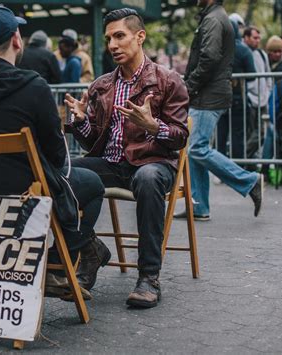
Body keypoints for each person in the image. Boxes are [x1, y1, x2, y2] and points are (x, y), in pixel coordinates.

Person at [0, 4, 105, 299]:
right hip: (25, 195)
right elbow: (57, 158)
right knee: (92, 183)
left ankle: (76, 254)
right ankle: (56, 265)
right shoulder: (34, 88)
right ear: (17, 40)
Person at [65, 8, 189, 308]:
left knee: (146, 179)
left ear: (140, 36)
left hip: (153, 163)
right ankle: (89, 249)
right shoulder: (102, 85)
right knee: (60, 172)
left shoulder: (168, 80)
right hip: (111, 164)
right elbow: (93, 140)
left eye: (119, 36)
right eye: (109, 38)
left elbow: (180, 136)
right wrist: (81, 121)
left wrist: (153, 126)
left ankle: (148, 277)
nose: (113, 45)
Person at [181, 0, 263, 222]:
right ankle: (199, 207)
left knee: (197, 149)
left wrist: (189, 87)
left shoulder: (214, 19)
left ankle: (249, 180)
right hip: (208, 93)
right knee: (195, 151)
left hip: (209, 95)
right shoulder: (214, 17)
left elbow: (209, 58)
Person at [217, 19, 256, 159]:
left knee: (220, 136)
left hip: (219, 98)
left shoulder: (216, 47)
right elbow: (252, 76)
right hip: (238, 98)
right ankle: (237, 167)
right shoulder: (244, 50)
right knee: (237, 136)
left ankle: (220, 169)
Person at [243, 26, 273, 158]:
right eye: (255, 38)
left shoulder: (262, 54)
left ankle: (244, 157)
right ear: (246, 38)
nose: (257, 40)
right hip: (249, 99)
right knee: (249, 133)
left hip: (263, 100)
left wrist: (268, 90)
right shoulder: (243, 53)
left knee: (261, 133)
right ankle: (244, 160)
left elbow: (268, 74)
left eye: (259, 38)